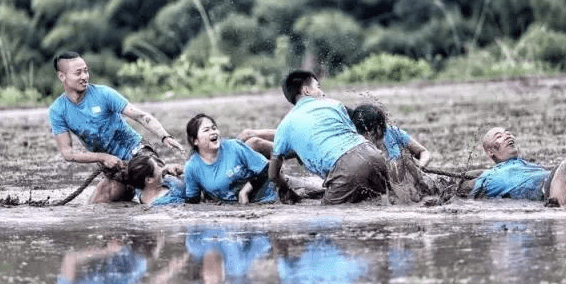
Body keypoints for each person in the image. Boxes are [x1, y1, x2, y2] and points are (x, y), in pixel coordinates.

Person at [48, 51, 184, 203]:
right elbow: (68, 153)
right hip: (113, 166)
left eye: (86, 71)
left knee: (155, 197)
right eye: (78, 73)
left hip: (139, 156)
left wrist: (164, 136)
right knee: (96, 203)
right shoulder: (57, 110)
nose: (85, 76)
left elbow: (139, 116)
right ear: (62, 76)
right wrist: (103, 157)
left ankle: (183, 181)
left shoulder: (103, 94)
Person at [269, 70, 389, 205]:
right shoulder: (334, 104)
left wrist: (284, 188)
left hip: (346, 168)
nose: (323, 92)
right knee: (375, 201)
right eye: (318, 87)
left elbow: (273, 173)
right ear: (306, 91)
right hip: (374, 155)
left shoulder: (285, 125)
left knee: (326, 214)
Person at [467, 126, 566, 206]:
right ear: (490, 152)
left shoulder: (527, 165)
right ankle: (557, 214)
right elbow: (460, 186)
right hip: (555, 190)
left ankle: (558, 203)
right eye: (499, 136)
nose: (507, 135)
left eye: (508, 133)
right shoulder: (486, 177)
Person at [349, 103, 450, 203]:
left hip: (407, 184)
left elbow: (424, 152)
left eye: (368, 132)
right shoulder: (355, 141)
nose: (365, 135)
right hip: (378, 190)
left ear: (379, 127)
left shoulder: (393, 132)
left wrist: (420, 166)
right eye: (362, 132)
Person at [184, 113, 278, 204]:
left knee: (254, 143)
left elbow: (267, 168)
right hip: (231, 207)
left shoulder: (234, 147)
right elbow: (193, 201)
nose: (213, 132)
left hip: (263, 199)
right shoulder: (192, 167)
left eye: (214, 128)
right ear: (195, 140)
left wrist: (247, 189)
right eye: (206, 130)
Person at [125, 154, 190, 206]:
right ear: (149, 180)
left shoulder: (138, 190)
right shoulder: (168, 201)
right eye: (157, 168)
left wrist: (167, 168)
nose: (161, 168)